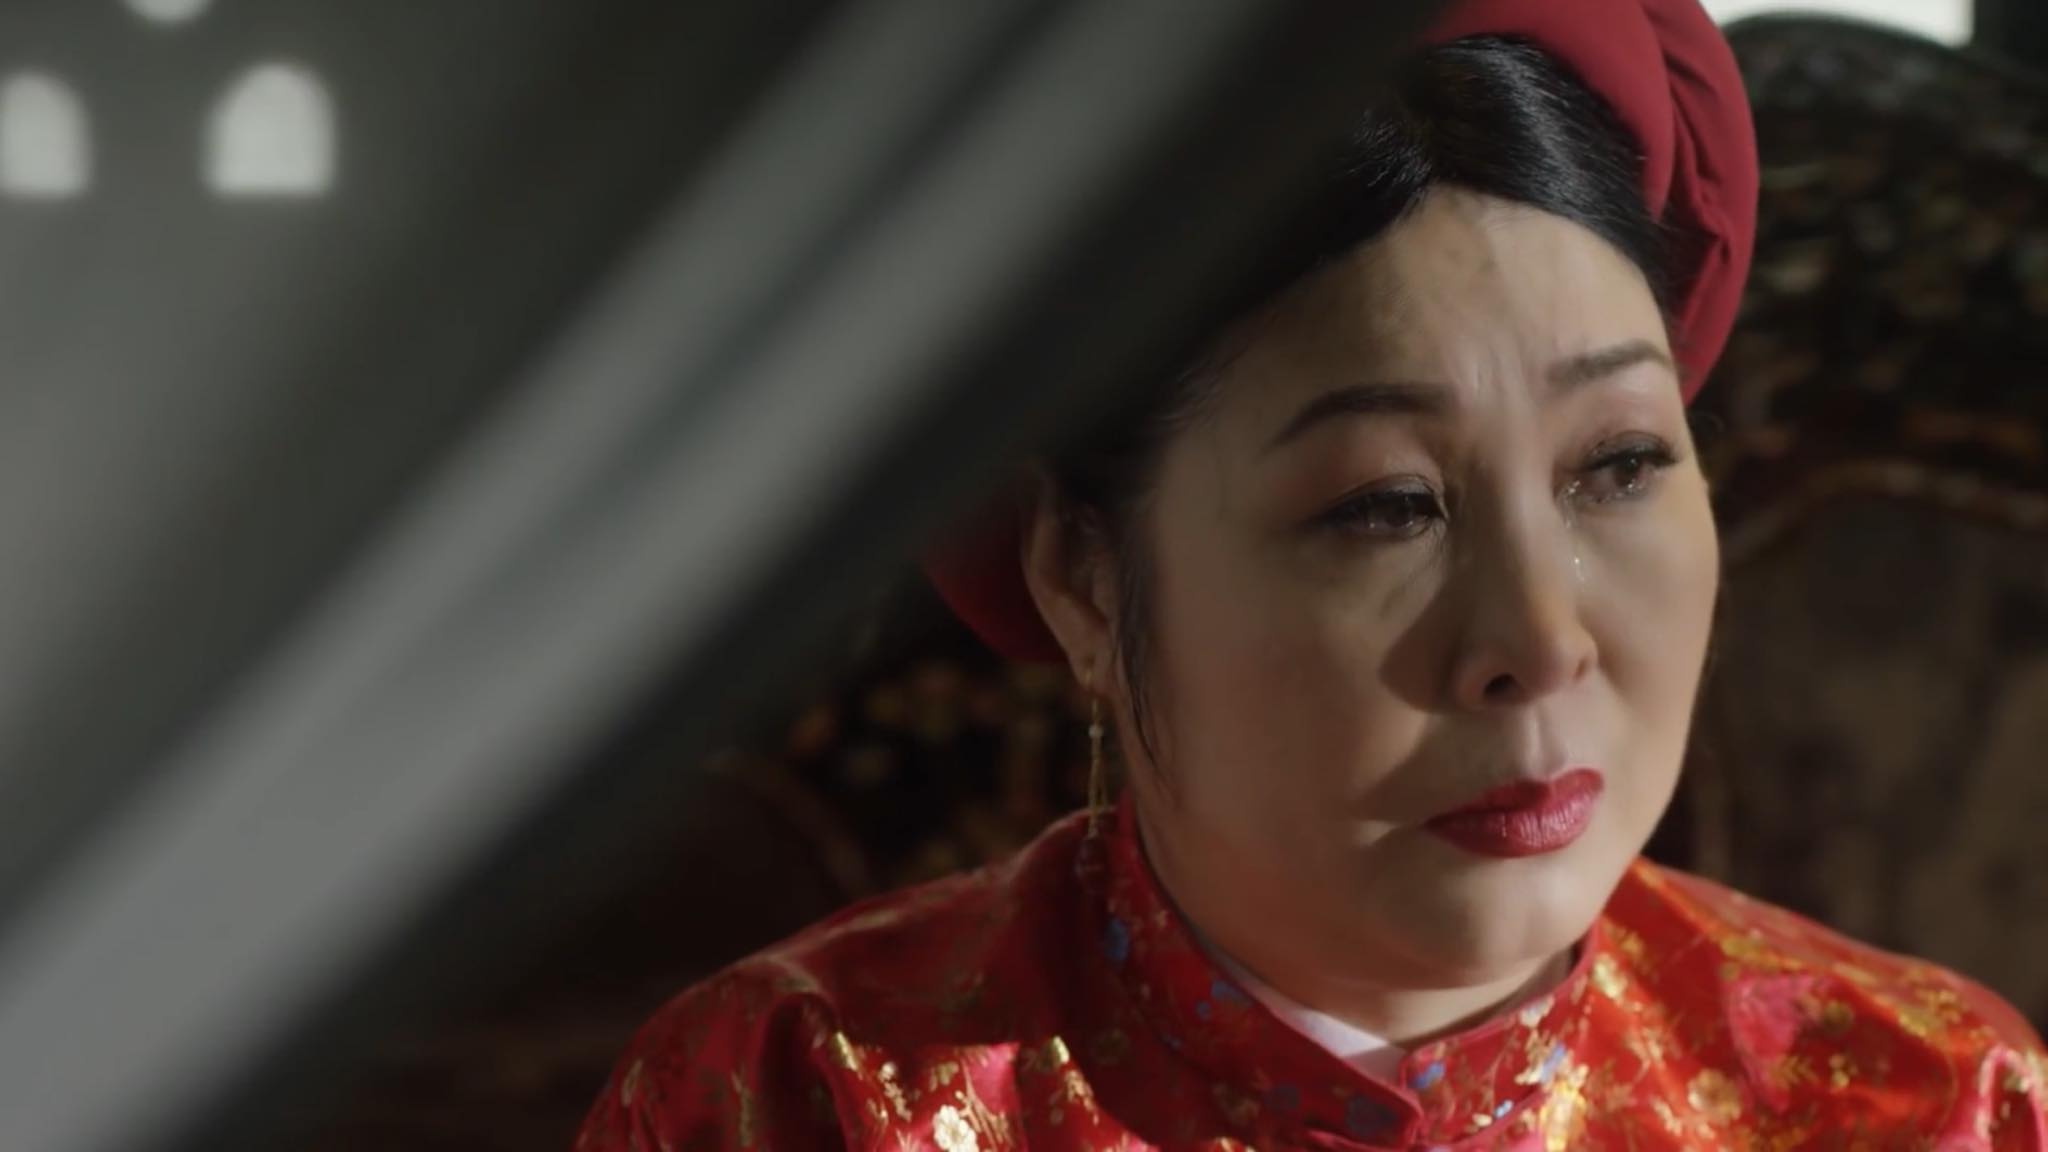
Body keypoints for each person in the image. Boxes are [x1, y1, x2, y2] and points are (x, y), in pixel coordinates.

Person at [578, 1, 2048, 1147]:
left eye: (1618, 466)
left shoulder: (1926, 1103)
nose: (1540, 639)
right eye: (1388, 506)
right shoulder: (793, 1103)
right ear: (1083, 577)